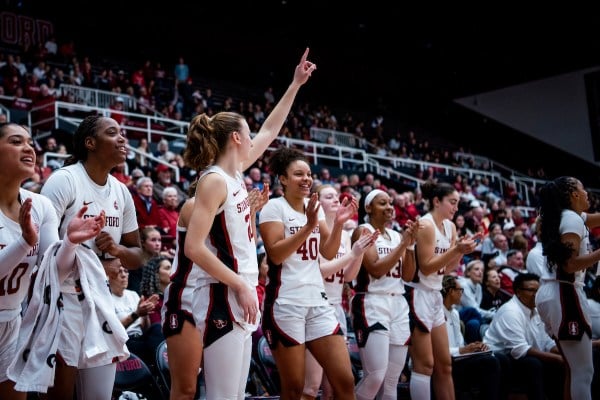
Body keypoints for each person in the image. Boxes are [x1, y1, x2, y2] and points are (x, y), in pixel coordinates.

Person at [162, 48, 316, 400]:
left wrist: (295, 85)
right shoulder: (215, 179)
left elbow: (271, 129)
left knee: (231, 394)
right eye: (248, 134)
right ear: (235, 138)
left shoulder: (235, 179)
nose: (254, 139)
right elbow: (193, 247)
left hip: (235, 289)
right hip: (213, 292)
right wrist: (242, 286)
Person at [40, 114, 146, 400]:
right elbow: (42, 251)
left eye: (122, 133)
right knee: (60, 394)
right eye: (113, 133)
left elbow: (137, 256)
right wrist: (102, 262)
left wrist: (117, 250)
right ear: (90, 143)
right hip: (62, 299)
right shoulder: (64, 180)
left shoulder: (122, 192)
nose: (123, 139)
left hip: (101, 300)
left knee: (99, 396)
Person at [0, 122, 104, 399]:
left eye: (30, 142)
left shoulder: (40, 205)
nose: (28, 148)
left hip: (11, 322)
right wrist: (24, 243)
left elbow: (53, 272)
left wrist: (70, 242)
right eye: (15, 141)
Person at [259, 147, 357, 400]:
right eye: (298, 174)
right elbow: (276, 255)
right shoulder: (273, 208)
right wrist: (309, 226)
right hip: (286, 302)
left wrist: (337, 225)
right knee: (294, 388)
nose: (306, 179)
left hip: (318, 301)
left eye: (309, 174)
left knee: (345, 382)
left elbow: (328, 251)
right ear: (282, 178)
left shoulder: (313, 207)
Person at [406, 180, 480, 400]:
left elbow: (447, 268)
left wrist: (460, 251)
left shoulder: (450, 227)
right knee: (425, 365)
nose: (456, 208)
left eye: (457, 203)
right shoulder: (426, 225)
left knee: (445, 364)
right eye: (452, 202)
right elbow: (427, 266)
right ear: (437, 201)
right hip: (417, 293)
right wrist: (456, 249)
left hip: (435, 294)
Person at [302, 185, 378, 400]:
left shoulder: (344, 235)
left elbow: (347, 277)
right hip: (315, 305)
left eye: (337, 195)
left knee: (334, 387)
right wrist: (351, 254)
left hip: (336, 307)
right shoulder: (311, 229)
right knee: (310, 387)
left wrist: (360, 252)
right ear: (317, 201)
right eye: (329, 196)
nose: (336, 199)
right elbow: (316, 271)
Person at [349, 189, 417, 400]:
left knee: (391, 381)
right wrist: (403, 245)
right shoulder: (363, 230)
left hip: (398, 303)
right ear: (368, 208)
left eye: (390, 203)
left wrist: (411, 245)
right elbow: (376, 270)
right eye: (382, 203)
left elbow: (408, 275)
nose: (389, 207)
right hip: (371, 303)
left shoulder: (397, 235)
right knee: (375, 376)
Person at [536, 176, 600, 399]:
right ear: (573, 194)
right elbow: (569, 265)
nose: (587, 194)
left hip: (556, 292)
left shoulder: (567, 216)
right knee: (583, 371)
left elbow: (594, 220)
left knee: (574, 370)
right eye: (583, 189)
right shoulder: (571, 219)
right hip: (564, 292)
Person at [484, 273, 565, 400]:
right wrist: (558, 358)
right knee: (534, 364)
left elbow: (547, 343)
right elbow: (519, 350)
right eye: (531, 290)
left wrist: (566, 354)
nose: (536, 294)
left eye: (538, 290)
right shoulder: (511, 312)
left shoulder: (536, 310)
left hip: (521, 354)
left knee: (561, 363)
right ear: (518, 292)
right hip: (500, 357)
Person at [441, 275, 503, 400]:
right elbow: (436, 350)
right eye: (460, 290)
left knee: (500, 358)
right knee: (490, 362)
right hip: (444, 362)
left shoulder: (454, 313)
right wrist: (461, 350)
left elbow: (460, 344)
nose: (462, 294)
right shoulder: (436, 313)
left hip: (457, 358)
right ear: (451, 291)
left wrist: (474, 348)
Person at [110, 263, 160, 367]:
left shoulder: (132, 294)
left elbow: (146, 327)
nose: (124, 275)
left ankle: (165, 366)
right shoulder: (106, 298)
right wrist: (136, 314)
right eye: (119, 271)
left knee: (157, 328)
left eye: (126, 271)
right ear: (109, 276)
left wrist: (145, 313)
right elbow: (112, 331)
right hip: (123, 341)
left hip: (140, 337)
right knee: (141, 347)